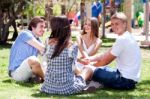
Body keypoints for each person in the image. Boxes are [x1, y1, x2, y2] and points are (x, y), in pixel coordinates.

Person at [82, 12, 141, 90]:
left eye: (117, 24)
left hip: (124, 81)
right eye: (112, 24)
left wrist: (91, 67)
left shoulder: (122, 39)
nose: (113, 26)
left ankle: (78, 84)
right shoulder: (127, 36)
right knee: (99, 69)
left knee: (89, 70)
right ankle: (94, 82)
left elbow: (105, 61)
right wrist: (90, 59)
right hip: (129, 79)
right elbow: (105, 54)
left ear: (124, 24)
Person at [40, 16, 93, 95]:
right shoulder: (72, 45)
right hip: (67, 88)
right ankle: (84, 84)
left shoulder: (47, 42)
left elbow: (45, 60)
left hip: (48, 87)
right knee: (89, 69)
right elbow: (74, 68)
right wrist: (81, 75)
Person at [8, 16, 45, 82]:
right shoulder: (25, 34)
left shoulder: (38, 40)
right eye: (41, 26)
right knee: (33, 60)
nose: (43, 29)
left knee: (47, 64)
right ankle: (48, 81)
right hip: (16, 72)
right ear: (33, 27)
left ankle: (37, 78)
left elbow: (46, 54)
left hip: (28, 71)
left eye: (44, 27)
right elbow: (42, 49)